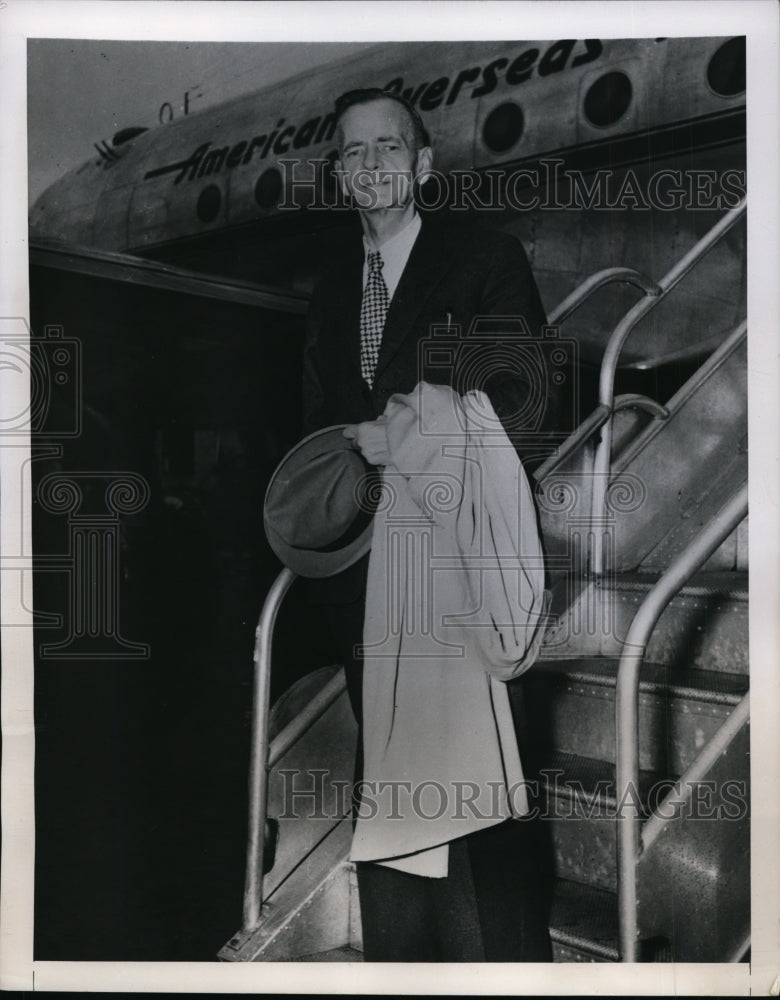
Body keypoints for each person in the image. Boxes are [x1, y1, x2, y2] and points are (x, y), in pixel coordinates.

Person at [301, 88, 562, 962]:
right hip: (364, 578)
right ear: (339, 174)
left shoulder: (484, 257)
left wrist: (410, 430)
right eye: (352, 152)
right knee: (397, 791)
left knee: (483, 797)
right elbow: (318, 427)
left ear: (422, 164)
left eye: (388, 147)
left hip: (457, 568)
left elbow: (527, 402)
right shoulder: (332, 287)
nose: (369, 165)